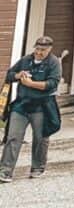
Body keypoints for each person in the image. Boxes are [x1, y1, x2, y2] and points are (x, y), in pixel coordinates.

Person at [0, 36, 62, 183]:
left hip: (41, 106)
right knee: (13, 137)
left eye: (43, 50)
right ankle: (5, 171)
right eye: (37, 49)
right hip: (21, 105)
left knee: (40, 138)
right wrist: (18, 75)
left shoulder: (54, 63)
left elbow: (52, 84)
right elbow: (9, 75)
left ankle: (38, 167)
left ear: (49, 50)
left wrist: (31, 83)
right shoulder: (26, 60)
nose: (39, 52)